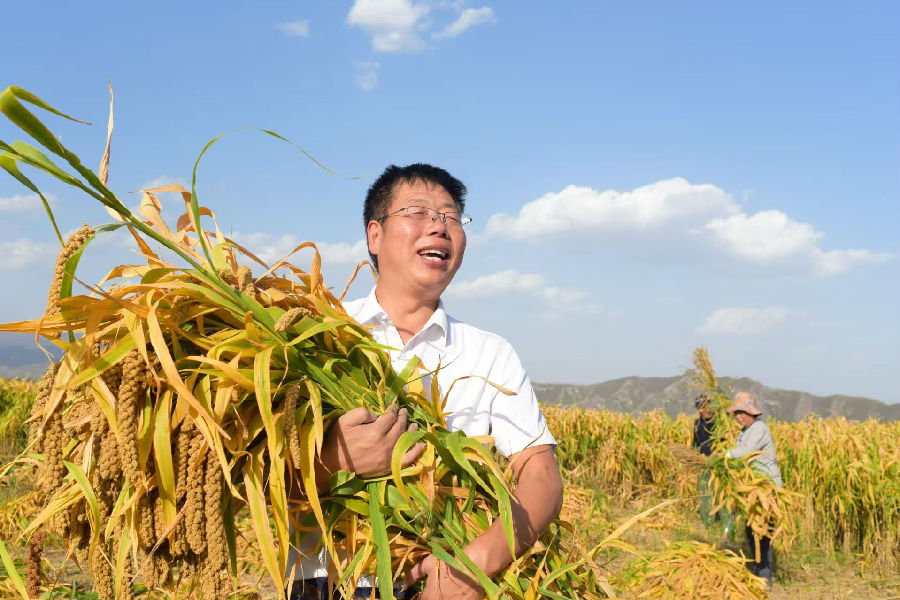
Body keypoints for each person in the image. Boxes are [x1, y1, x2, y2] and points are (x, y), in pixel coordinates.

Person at [287, 164, 564, 600]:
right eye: (418, 212)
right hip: (327, 582)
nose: (439, 226)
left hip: (451, 580)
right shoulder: (314, 334)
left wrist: (474, 566)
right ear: (374, 236)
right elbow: (249, 484)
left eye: (451, 217)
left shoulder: (490, 353)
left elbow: (542, 476)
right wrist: (331, 459)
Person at [726, 391, 783, 587]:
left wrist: (725, 455)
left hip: (766, 489)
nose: (738, 417)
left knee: (764, 531)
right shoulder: (743, 432)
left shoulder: (759, 429)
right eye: (736, 413)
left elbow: (746, 452)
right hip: (752, 489)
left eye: (741, 412)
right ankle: (758, 570)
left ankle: (765, 577)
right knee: (751, 531)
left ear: (751, 412)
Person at [691, 393, 715, 527]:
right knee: (704, 489)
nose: (703, 410)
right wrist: (693, 456)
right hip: (703, 461)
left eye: (705, 406)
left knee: (716, 489)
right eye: (700, 407)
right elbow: (695, 443)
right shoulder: (697, 423)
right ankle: (707, 519)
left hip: (717, 460)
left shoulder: (717, 421)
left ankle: (719, 516)